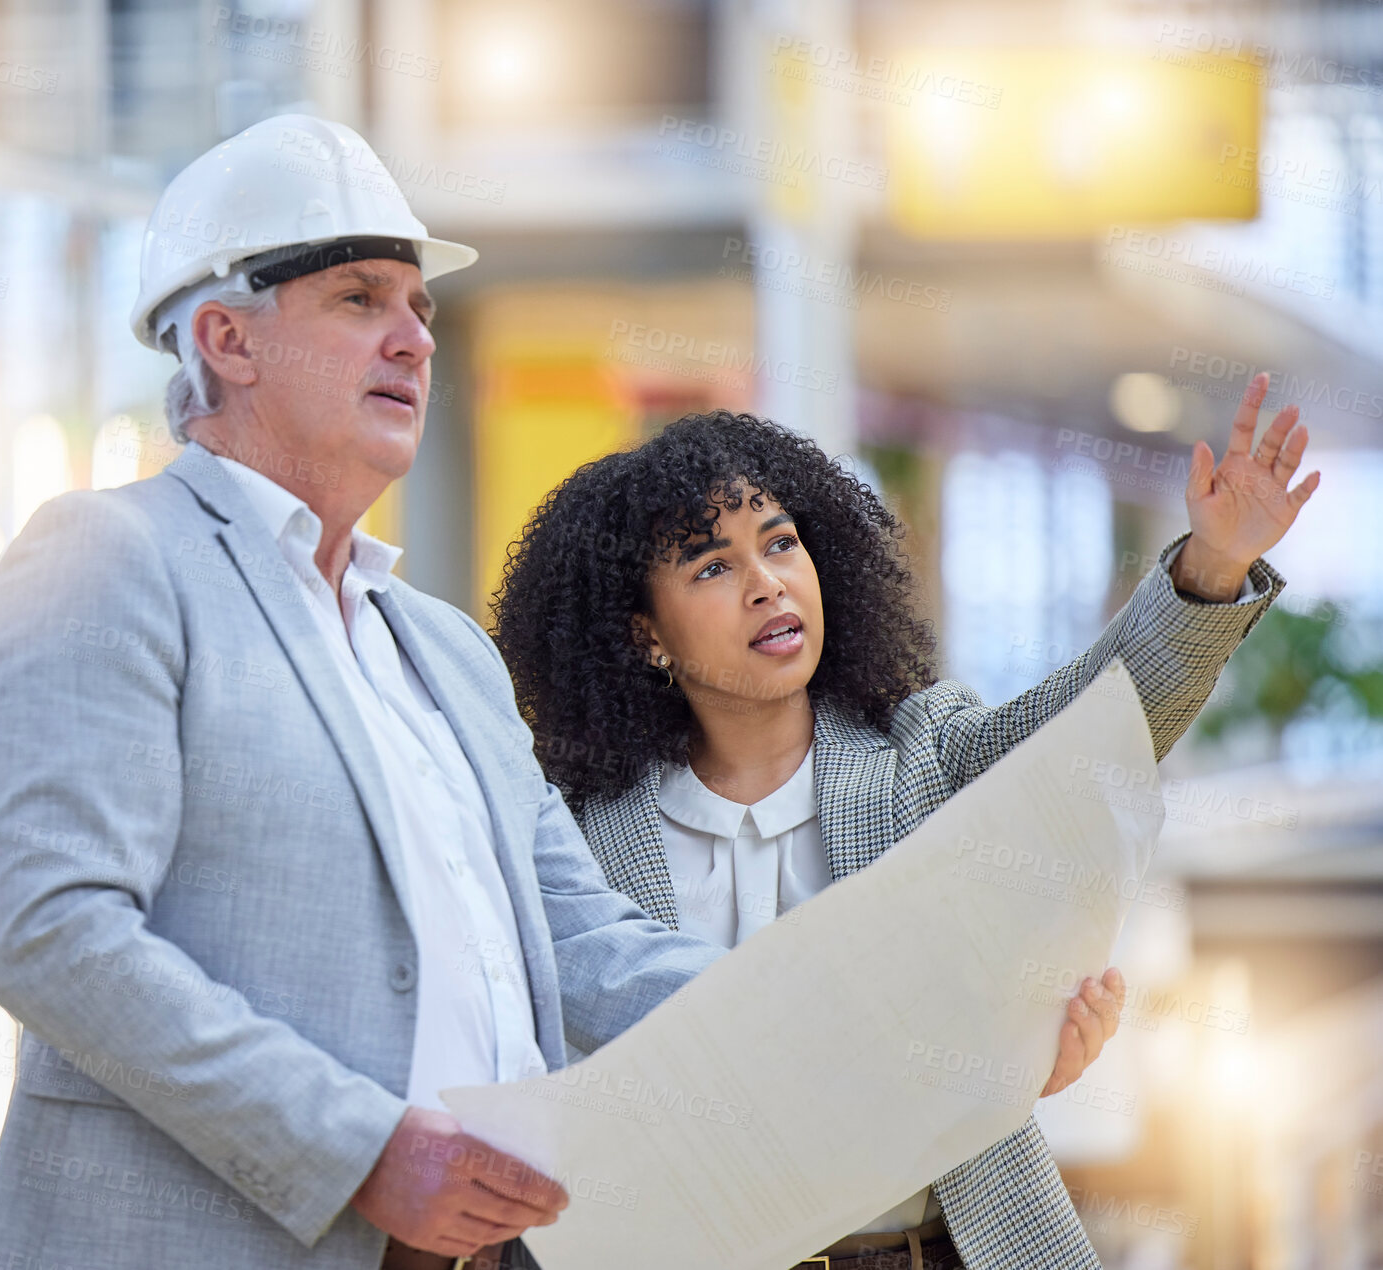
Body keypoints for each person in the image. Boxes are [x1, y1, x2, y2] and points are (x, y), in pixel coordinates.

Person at [0, 114, 1118, 1270]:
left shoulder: (440, 649)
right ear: (226, 338)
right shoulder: (110, 560)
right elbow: (57, 936)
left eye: (420, 306)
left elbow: (588, 945)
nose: (412, 337)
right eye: (360, 298)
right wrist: (361, 1150)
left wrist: (946, 1039)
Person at [491, 395, 1316, 1269]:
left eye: (779, 542)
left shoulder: (924, 755)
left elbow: (1103, 724)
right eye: (709, 568)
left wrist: (1214, 563)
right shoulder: (576, 840)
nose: (767, 582)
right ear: (643, 633)